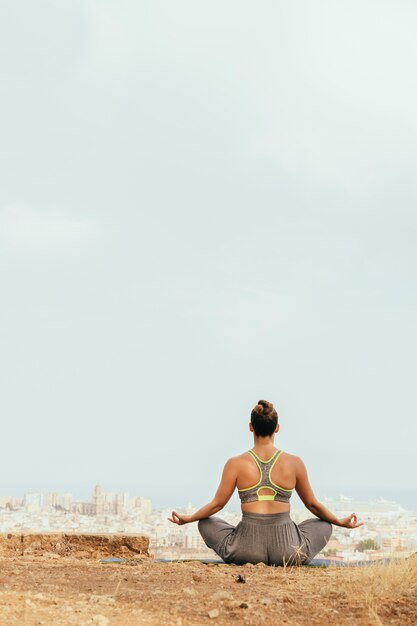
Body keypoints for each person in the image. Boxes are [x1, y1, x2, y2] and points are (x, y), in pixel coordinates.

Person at [168, 400, 363, 565]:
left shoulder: (235, 464)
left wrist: (189, 518)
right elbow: (312, 504)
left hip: (245, 550)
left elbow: (217, 505)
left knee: (206, 523)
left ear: (251, 427)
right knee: (324, 525)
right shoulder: (294, 463)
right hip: (287, 551)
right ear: (277, 428)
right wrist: (338, 522)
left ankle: (242, 549)